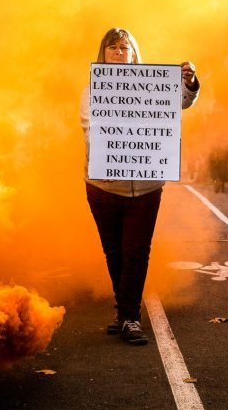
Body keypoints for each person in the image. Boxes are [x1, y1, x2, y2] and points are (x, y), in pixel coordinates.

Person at [80, 28, 200, 345]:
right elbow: (90, 128)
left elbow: (180, 104)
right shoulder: (93, 89)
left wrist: (187, 83)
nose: (119, 53)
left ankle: (130, 318)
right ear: (103, 53)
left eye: (125, 48)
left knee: (136, 252)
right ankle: (124, 313)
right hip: (103, 187)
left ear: (135, 54)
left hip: (146, 188)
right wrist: (102, 161)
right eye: (113, 47)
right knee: (114, 253)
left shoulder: (154, 85)